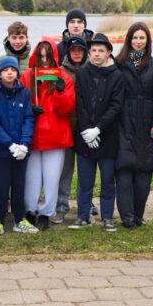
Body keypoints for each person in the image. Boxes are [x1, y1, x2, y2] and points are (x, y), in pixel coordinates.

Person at [69, 33, 124, 232]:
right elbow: (80, 102)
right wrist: (85, 130)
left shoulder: (116, 75)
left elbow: (116, 106)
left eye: (101, 50)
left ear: (109, 52)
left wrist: (98, 129)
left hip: (107, 137)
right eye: (93, 50)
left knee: (108, 181)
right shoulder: (83, 73)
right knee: (85, 181)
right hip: (84, 137)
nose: (97, 54)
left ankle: (107, 217)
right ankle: (83, 216)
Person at [20, 40, 75, 231]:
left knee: (52, 178)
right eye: (41, 56)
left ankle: (47, 212)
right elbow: (19, 101)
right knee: (31, 177)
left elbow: (67, 109)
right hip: (33, 134)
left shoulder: (63, 78)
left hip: (55, 135)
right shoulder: (27, 76)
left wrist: (60, 93)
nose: (44, 60)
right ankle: (30, 210)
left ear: (53, 57)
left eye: (47, 56)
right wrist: (29, 110)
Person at [114, 22, 153, 229]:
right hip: (123, 121)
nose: (138, 42)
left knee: (143, 172)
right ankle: (126, 216)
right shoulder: (118, 63)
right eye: (135, 38)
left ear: (147, 41)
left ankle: (138, 215)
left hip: (146, 122)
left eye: (142, 38)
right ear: (129, 40)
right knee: (124, 170)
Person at [0, 56, 39, 236]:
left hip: (21, 151)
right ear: (0, 72)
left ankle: (19, 219)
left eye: (13, 70)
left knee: (19, 185)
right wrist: (9, 144)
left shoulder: (24, 92)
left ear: (17, 72)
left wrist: (24, 144)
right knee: (0, 186)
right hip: (0, 150)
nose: (10, 73)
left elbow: (28, 118)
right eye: (6, 70)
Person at [52, 36, 89, 224]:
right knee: (64, 171)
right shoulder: (58, 71)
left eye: (80, 50)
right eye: (73, 50)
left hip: (85, 129)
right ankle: (61, 206)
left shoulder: (92, 69)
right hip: (65, 128)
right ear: (68, 51)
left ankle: (86, 205)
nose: (76, 53)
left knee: (86, 171)